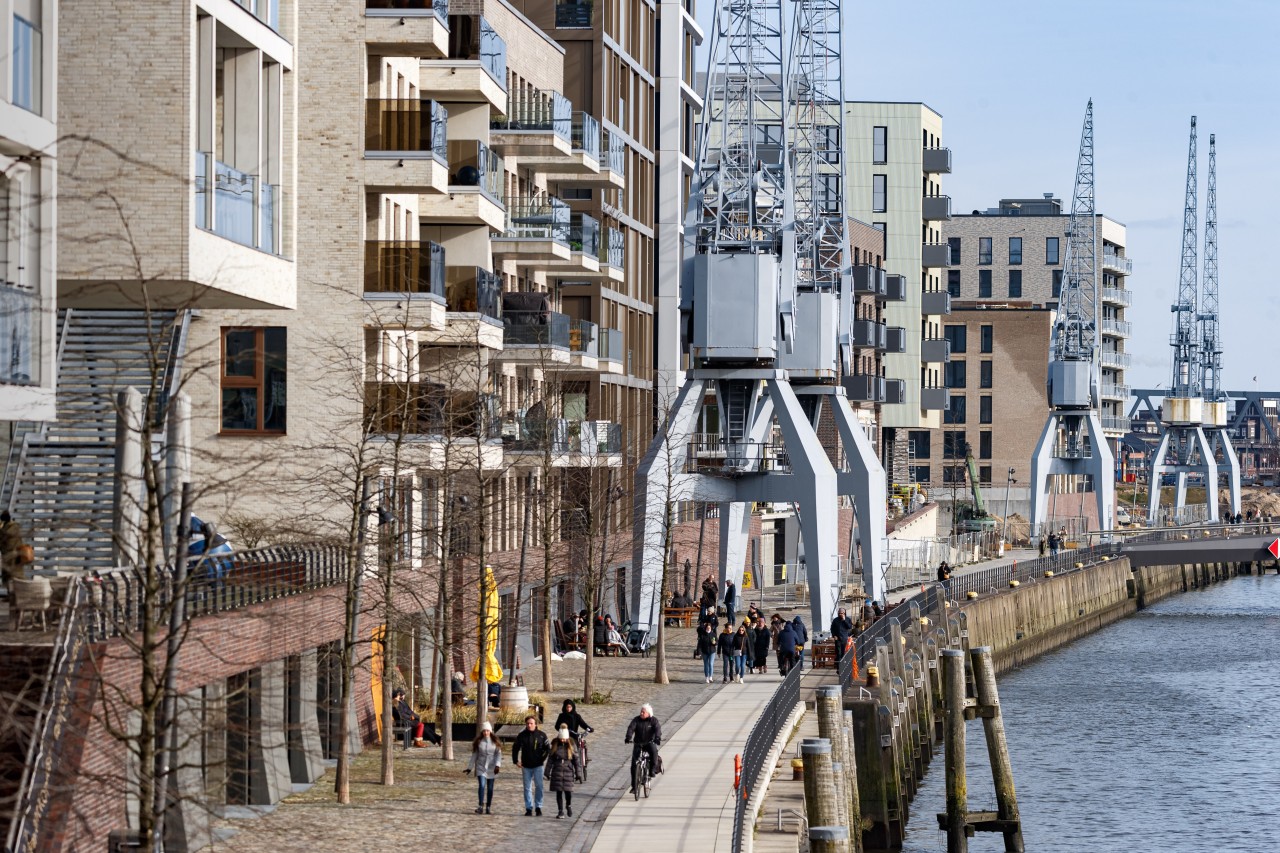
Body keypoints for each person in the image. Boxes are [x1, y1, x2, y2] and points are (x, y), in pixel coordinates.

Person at [511, 714, 550, 816]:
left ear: (535, 724)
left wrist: (542, 758)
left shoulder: (542, 735)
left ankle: (538, 807)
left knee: (539, 787)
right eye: (527, 723)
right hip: (526, 766)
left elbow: (548, 749)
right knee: (527, 788)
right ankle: (528, 808)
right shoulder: (522, 735)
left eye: (531, 723)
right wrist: (515, 761)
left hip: (538, 765)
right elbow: (515, 748)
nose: (529, 725)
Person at [464, 721, 501, 815]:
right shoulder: (479, 742)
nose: (486, 733)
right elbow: (474, 755)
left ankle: (488, 806)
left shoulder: (495, 742)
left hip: (492, 767)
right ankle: (480, 805)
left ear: (491, 731)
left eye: (487, 731)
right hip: (481, 766)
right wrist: (470, 767)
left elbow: (498, 754)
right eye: (484, 731)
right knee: (482, 785)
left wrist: (498, 765)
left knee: (490, 788)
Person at [625, 703, 662, 793]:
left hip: (649, 742)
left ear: (648, 713)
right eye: (641, 711)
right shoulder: (636, 720)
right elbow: (631, 728)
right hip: (638, 743)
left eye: (643, 712)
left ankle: (652, 770)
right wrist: (628, 737)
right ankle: (634, 786)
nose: (641, 713)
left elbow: (658, 730)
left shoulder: (654, 721)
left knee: (654, 752)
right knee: (634, 764)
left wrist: (657, 738)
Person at [545, 726, 581, 818]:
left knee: (568, 792)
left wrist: (578, 773)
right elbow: (550, 760)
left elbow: (576, 761)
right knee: (559, 792)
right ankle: (560, 811)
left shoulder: (571, 746)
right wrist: (547, 772)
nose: (563, 740)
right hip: (557, 771)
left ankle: (568, 805)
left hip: (568, 771)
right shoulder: (555, 745)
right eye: (561, 738)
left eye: (564, 738)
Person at [0, 510, 27, 585]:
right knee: (8, 576)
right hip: (7, 555)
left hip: (14, 555)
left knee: (14, 576)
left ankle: (16, 591)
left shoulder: (13, 527)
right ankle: (11, 592)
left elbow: (6, 535)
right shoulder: (6, 527)